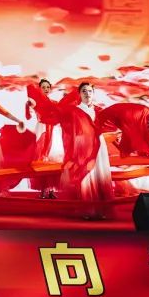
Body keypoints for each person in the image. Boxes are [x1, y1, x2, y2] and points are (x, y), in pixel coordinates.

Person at [59, 81, 114, 218]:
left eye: (90, 91)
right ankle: (87, 209)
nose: (87, 93)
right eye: (84, 91)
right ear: (79, 94)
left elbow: (110, 125)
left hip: (99, 146)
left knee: (100, 174)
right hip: (83, 147)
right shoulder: (74, 111)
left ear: (93, 94)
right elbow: (67, 129)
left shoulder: (99, 110)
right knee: (86, 175)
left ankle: (101, 210)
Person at [26, 79, 62, 198]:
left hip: (54, 131)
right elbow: (28, 115)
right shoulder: (35, 102)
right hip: (42, 130)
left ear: (50, 89)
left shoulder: (55, 102)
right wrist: (28, 105)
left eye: (47, 87)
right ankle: (43, 189)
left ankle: (51, 190)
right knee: (41, 159)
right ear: (39, 89)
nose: (46, 89)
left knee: (53, 159)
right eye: (43, 87)